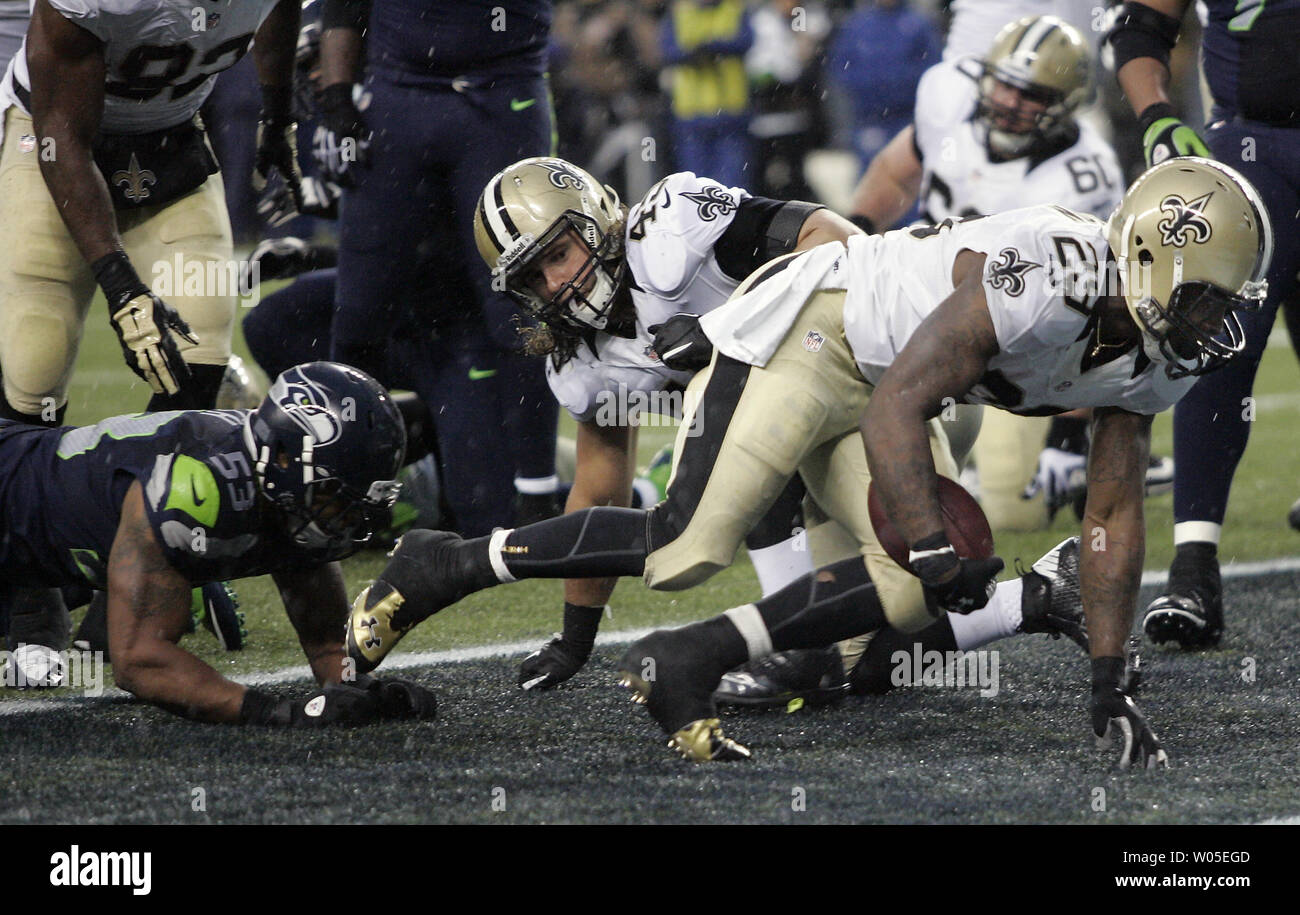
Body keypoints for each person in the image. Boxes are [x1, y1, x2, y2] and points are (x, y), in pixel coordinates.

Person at [345, 156, 1270, 766]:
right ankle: (442, 563)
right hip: (818, 331)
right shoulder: (1049, 271)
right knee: (685, 544)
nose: (1216, 323)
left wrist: (1106, 680)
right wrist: (930, 541)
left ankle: (697, 653)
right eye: (1205, 298)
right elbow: (900, 404)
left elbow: (1111, 514)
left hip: (878, 375)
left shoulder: (1159, 357)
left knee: (901, 596)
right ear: (1146, 259)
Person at [0, 0, 306, 684]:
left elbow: (281, 13)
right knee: (34, 360)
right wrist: (120, 283)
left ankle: (128, 575)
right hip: (49, 139)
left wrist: (276, 115)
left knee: (194, 360)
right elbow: (59, 132)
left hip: (168, 142)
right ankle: (27, 593)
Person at [471, 155, 859, 690]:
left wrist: (725, 326)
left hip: (866, 396)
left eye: (558, 255)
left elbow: (837, 240)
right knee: (883, 641)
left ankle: (798, 643)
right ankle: (813, 646)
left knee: (731, 396)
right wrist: (575, 636)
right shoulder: (581, 361)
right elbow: (599, 491)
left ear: (596, 221)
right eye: (533, 278)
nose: (555, 284)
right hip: (803, 453)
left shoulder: (670, 232)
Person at [0, 361, 436, 726]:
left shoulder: (287, 494)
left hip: (42, 550)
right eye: (334, 492)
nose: (346, 514)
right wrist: (278, 713)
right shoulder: (195, 484)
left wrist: (356, 690)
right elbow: (138, 662)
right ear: (282, 456)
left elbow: (326, 645)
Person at [314, 0, 564, 536]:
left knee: (519, 308)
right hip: (398, 95)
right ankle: (340, 486)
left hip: (503, 95)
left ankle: (538, 494)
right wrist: (335, 93)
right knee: (358, 313)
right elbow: (342, 4)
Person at [1105, 0, 1300, 649]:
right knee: (1219, 338)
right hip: (1254, 149)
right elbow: (1139, 22)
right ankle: (1194, 567)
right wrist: (1158, 115)